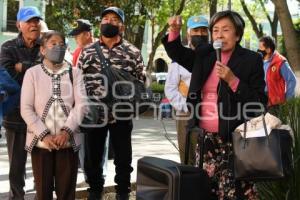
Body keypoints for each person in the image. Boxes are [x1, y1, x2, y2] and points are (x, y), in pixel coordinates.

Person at [162, 10, 267, 199]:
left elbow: (259, 103)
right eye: (216, 30)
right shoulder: (205, 54)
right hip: (206, 139)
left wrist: (233, 80)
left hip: (237, 140)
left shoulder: (252, 60)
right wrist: (174, 31)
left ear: (238, 34)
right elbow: (177, 53)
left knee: (234, 193)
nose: (219, 34)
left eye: (226, 30)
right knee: (205, 191)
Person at [77, 6, 145, 200]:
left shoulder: (132, 52)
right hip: (94, 113)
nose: (109, 22)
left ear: (121, 26)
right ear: (100, 24)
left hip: (121, 114)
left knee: (123, 158)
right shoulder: (87, 52)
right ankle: (95, 191)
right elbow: (78, 82)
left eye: (114, 19)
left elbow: (140, 82)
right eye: (105, 18)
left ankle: (122, 192)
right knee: (92, 158)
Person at [20, 31, 87, 200]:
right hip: (41, 145)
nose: (58, 47)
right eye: (53, 43)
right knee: (43, 192)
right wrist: (44, 135)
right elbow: (26, 108)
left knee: (67, 192)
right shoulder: (32, 73)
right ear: (42, 50)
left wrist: (66, 132)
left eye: (62, 44)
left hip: (68, 143)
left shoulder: (76, 73)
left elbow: (82, 105)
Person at [0, 6, 42, 199]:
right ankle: (17, 197)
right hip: (15, 115)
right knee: (17, 165)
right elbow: (8, 77)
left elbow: (53, 70)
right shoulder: (8, 47)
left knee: (42, 162)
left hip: (42, 115)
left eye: (36, 21)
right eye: (29, 21)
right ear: (19, 25)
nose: (34, 25)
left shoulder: (47, 44)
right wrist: (36, 71)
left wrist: (23, 67)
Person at [164, 15, 209, 164]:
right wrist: (186, 105)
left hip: (210, 111)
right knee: (187, 153)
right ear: (188, 33)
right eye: (196, 30)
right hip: (186, 112)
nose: (200, 34)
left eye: (204, 30)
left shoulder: (215, 56)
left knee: (208, 155)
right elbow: (170, 89)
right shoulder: (180, 58)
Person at [69, 18, 109, 181]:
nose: (75, 39)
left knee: (98, 140)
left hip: (99, 103)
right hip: (86, 103)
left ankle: (97, 174)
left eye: (77, 35)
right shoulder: (79, 51)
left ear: (87, 34)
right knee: (87, 140)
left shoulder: (100, 49)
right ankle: (91, 173)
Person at [258, 36, 297, 107]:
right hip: (261, 101)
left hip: (276, 103)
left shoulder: (280, 61)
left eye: (260, 48)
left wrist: (288, 101)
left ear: (268, 50)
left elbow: (292, 80)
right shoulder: (259, 61)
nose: (258, 50)